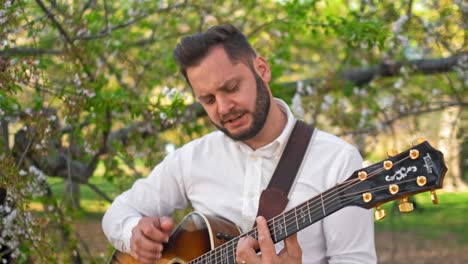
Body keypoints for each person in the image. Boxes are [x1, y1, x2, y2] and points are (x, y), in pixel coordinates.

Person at [102, 24, 376, 264]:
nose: (223, 108)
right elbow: (117, 213)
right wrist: (134, 235)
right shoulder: (193, 158)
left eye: (231, 88)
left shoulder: (338, 161)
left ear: (262, 69)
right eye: (208, 100)